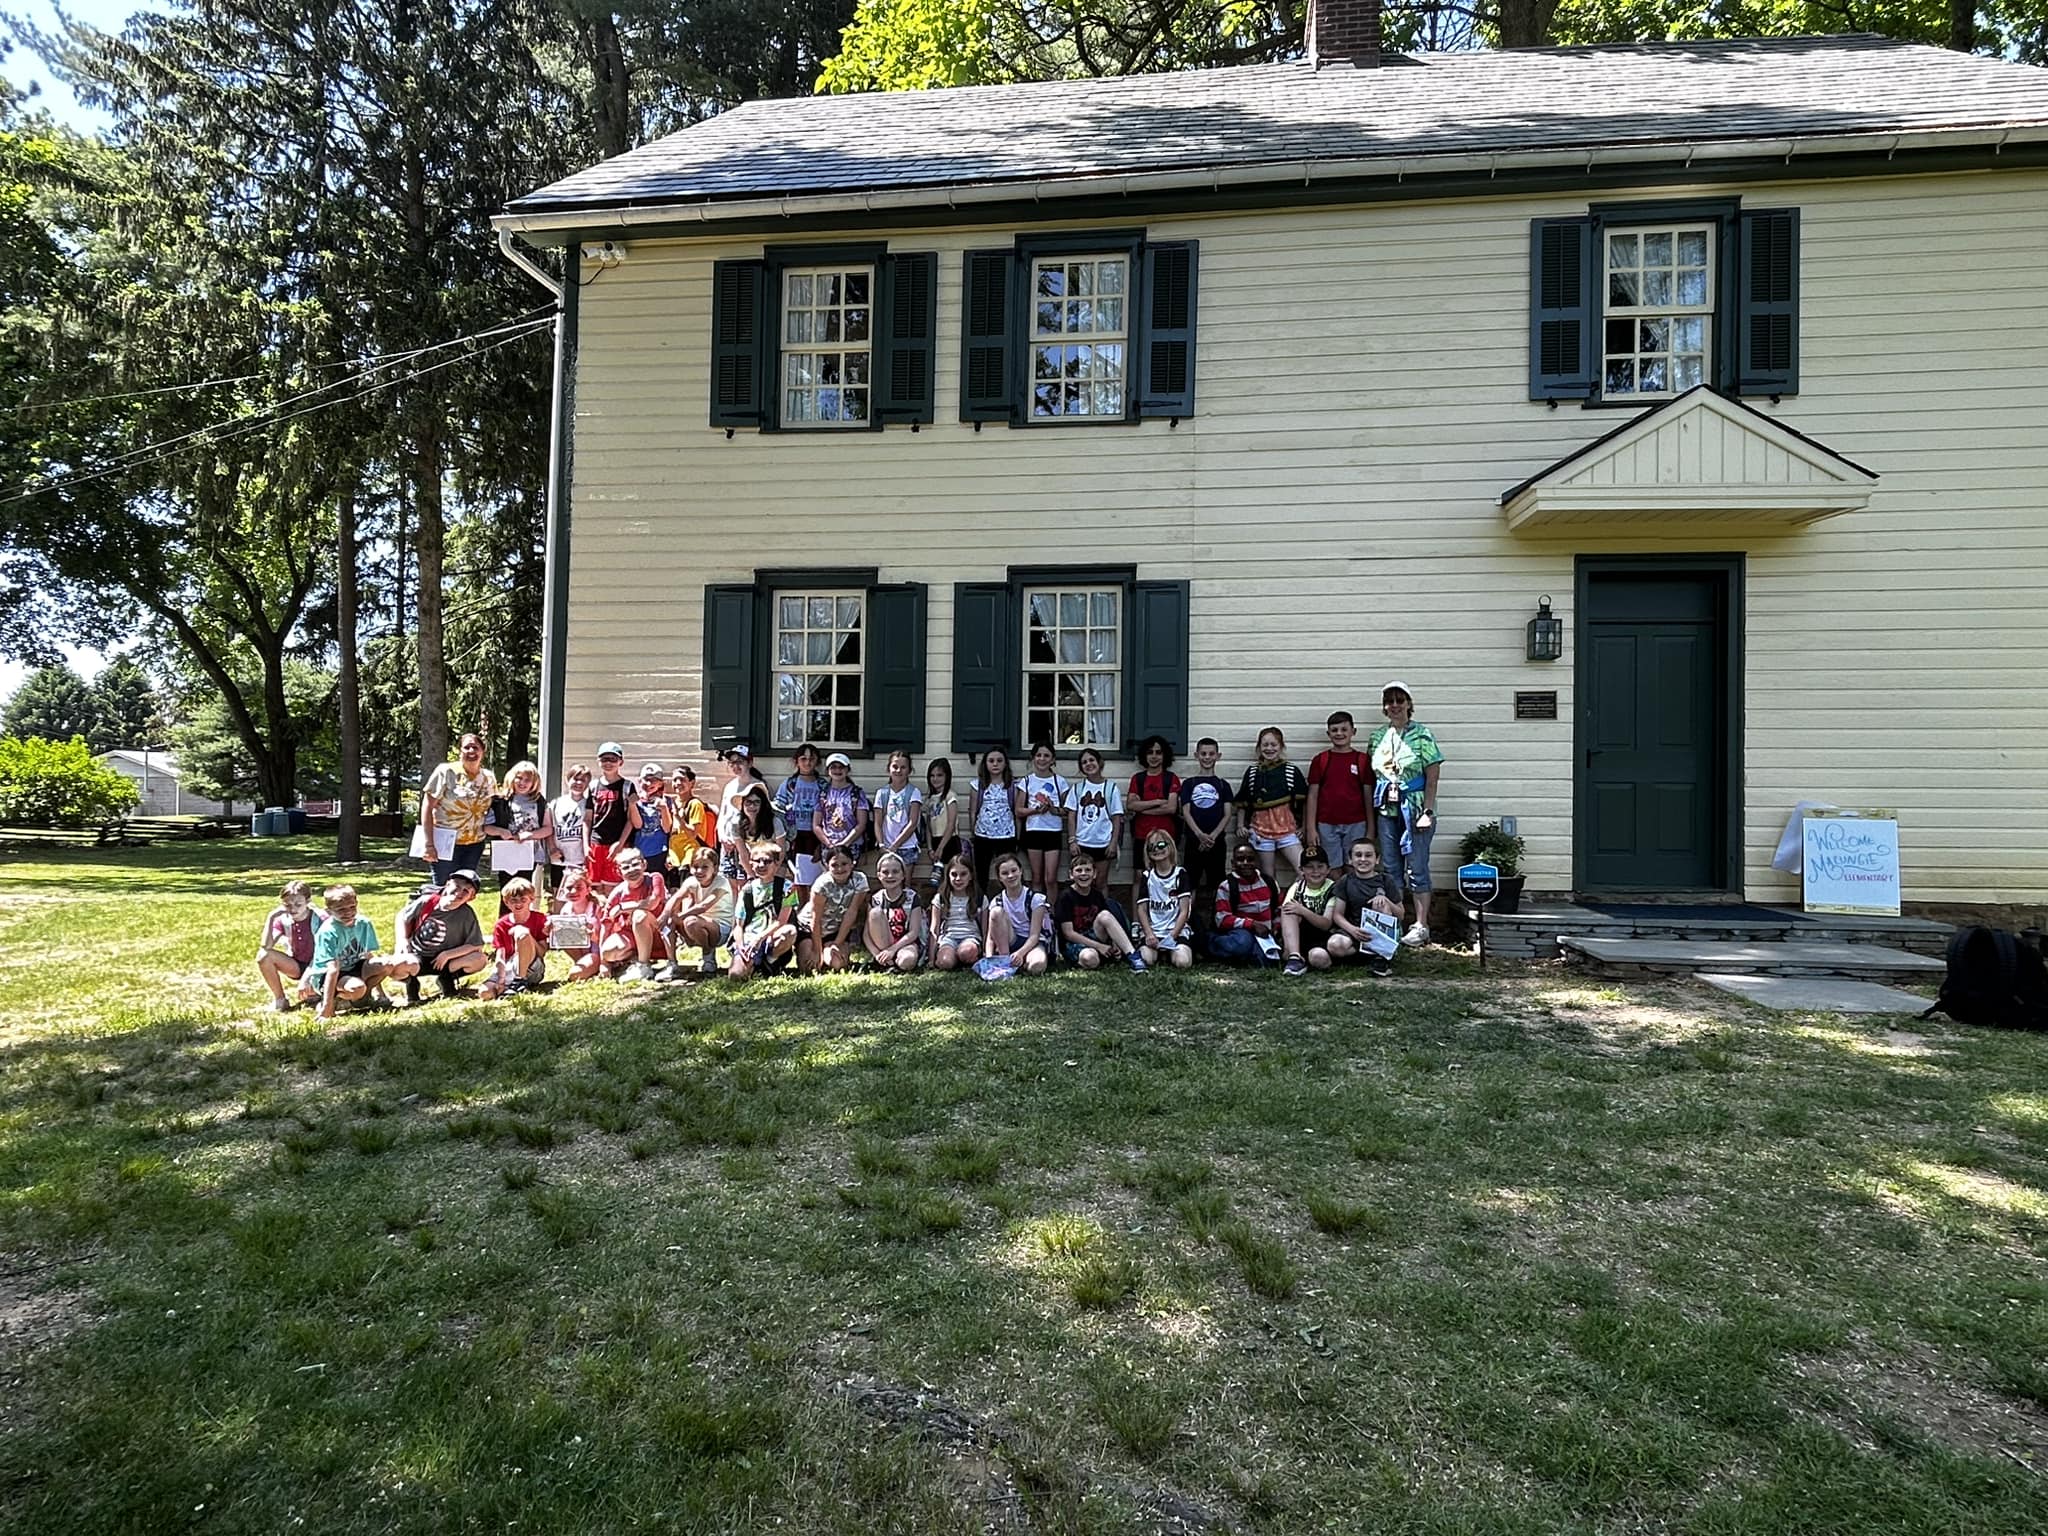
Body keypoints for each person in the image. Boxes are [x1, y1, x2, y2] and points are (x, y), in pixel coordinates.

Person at [1369, 681, 1446, 947]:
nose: (1394, 705)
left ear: (1409, 704)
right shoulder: (1378, 737)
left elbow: (1432, 777)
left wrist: (1427, 811)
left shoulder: (1423, 734)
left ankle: (1421, 925)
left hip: (1414, 809)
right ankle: (1393, 921)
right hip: (1386, 809)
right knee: (1390, 867)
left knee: (1416, 866)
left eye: (1399, 700)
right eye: (1389, 701)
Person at [307, 883, 412, 1019]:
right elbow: (333, 969)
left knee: (387, 964)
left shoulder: (363, 923)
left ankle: (363, 997)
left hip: (354, 966)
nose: (348, 912)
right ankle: (335, 1000)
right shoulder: (328, 932)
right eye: (341, 909)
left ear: (357, 904)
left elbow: (368, 956)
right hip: (328, 975)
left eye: (352, 907)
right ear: (329, 911)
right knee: (357, 988)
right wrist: (327, 1008)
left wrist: (381, 994)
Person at [1237, 726, 1309, 893]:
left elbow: (1304, 802)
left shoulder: (1290, 771)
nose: (1269, 748)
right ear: (1259, 747)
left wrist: (1304, 827)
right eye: (1265, 745)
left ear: (1281, 746)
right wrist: (1240, 825)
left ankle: (1294, 899)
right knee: (1268, 876)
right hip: (1261, 831)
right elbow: (1243, 801)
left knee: (1304, 870)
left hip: (1288, 830)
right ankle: (1273, 904)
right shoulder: (1253, 772)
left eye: (1273, 744)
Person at [420, 733, 496, 886]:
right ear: (460, 750)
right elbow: (427, 807)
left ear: (483, 751)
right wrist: (429, 844)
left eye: (475, 747)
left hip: (475, 844)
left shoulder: (488, 777)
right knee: (443, 888)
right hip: (445, 842)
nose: (471, 751)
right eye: (466, 747)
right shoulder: (446, 772)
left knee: (466, 888)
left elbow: (493, 807)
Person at [402, 868, 490, 997]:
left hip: (446, 961)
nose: (459, 892)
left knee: (480, 959)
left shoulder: (466, 914)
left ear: (471, 897)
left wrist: (447, 955)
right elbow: (404, 917)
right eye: (457, 886)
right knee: (396, 965)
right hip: (418, 955)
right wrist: (404, 940)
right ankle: (412, 984)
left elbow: (475, 944)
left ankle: (446, 979)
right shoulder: (427, 901)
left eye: (466, 891)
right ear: (447, 884)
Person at [1054, 849, 1143, 971]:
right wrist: (1099, 946)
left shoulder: (1097, 895)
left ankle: (1133, 955)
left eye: (1088, 870)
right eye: (1079, 870)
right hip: (1073, 943)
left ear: (1094, 874)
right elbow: (1068, 934)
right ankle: (1098, 955)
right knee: (1091, 959)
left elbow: (1109, 924)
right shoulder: (1065, 897)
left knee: (1105, 915)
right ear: (1071, 874)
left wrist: (1114, 943)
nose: (1083, 874)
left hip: (1095, 935)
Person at [1177, 737, 1234, 930]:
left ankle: (1218, 922)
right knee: (1191, 881)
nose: (1207, 757)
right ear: (1196, 755)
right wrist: (1200, 835)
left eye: (1211, 754)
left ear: (1218, 756)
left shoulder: (1223, 785)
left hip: (1217, 842)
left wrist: (1212, 836)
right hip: (1194, 841)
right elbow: (1186, 812)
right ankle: (1186, 923)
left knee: (1217, 883)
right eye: (1203, 754)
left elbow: (1227, 814)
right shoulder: (1189, 784)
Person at [1305, 712, 1371, 871]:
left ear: (1353, 731)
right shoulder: (1321, 760)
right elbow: (1312, 796)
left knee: (1354, 865)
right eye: (1334, 730)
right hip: (1326, 824)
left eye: (1344, 729)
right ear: (1328, 733)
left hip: (1356, 823)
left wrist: (1371, 829)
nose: (1339, 734)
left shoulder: (1362, 760)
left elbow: (1368, 797)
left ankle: (1352, 889)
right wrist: (1311, 829)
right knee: (1332, 866)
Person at [659, 845, 736, 979]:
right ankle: (672, 964)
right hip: (697, 924)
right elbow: (676, 898)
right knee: (669, 921)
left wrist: (681, 916)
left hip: (720, 929)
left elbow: (704, 906)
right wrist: (665, 915)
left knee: (690, 921)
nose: (699, 871)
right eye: (695, 867)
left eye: (705, 867)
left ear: (715, 868)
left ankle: (708, 957)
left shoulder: (722, 882)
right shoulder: (691, 881)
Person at [1330, 838, 1401, 977]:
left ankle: (1381, 956)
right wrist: (1353, 930)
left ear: (1377, 859)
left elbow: (1401, 914)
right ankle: (1367, 956)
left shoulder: (1386, 880)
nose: (1363, 859)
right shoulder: (1345, 880)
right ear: (1350, 860)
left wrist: (1386, 900)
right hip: (1355, 931)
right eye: (1358, 855)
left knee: (1380, 903)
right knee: (1334, 945)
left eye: (1368, 855)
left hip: (1379, 933)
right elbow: (1337, 915)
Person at [729, 842, 799, 980]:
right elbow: (738, 925)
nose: (762, 865)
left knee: (790, 931)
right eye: (757, 861)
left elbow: (781, 921)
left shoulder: (787, 888)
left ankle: (769, 962)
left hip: (771, 937)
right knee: (736, 975)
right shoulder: (747, 890)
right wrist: (741, 946)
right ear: (751, 863)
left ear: (776, 863)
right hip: (749, 938)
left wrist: (760, 938)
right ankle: (753, 965)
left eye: (767, 861)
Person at [798, 843, 870, 974]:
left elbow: (851, 912)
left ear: (852, 864)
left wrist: (836, 944)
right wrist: (817, 951)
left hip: (835, 930)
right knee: (810, 968)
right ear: (827, 866)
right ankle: (815, 950)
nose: (840, 869)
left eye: (844, 864)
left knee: (838, 965)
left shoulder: (860, 880)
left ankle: (830, 950)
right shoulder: (822, 884)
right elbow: (815, 919)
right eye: (834, 865)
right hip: (810, 929)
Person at [598, 849, 669, 981]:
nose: (632, 870)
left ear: (644, 864)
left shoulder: (654, 879)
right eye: (626, 867)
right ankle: (634, 959)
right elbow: (606, 925)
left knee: (639, 915)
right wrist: (604, 963)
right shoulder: (618, 892)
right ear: (619, 872)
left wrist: (623, 907)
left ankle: (643, 966)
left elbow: (652, 903)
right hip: (630, 936)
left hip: (657, 930)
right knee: (608, 952)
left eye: (635, 864)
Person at [255, 879, 323, 1012]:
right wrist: (271, 917)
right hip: (297, 964)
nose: (293, 909)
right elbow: (266, 946)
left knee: (312, 993)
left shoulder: (320, 918)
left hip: (320, 963)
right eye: (288, 905)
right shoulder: (284, 920)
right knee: (263, 956)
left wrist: (306, 977)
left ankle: (322, 993)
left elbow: (323, 952)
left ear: (308, 902)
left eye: (298, 904)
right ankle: (280, 999)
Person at [1207, 844, 1278, 967]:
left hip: (1264, 935)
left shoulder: (1269, 883)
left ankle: (1242, 957)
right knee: (1243, 943)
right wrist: (1252, 924)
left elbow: (1279, 910)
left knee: (1267, 961)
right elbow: (1222, 919)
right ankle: (1212, 943)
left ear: (1256, 862)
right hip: (1240, 932)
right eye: (1240, 859)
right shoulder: (1227, 886)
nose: (1245, 863)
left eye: (1250, 859)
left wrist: (1277, 927)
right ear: (1233, 863)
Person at [489, 760, 552, 896]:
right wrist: (501, 831)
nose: (522, 782)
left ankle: (523, 910)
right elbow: (486, 827)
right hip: (506, 851)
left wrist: (529, 835)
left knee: (524, 890)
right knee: (506, 890)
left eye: (527, 780)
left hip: (529, 852)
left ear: (534, 782)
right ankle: (505, 911)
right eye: (519, 778)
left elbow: (548, 828)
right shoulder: (500, 801)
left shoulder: (539, 801)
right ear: (512, 777)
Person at [1135, 831, 1196, 970]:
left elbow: (1184, 910)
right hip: (1154, 930)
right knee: (1146, 959)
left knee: (1183, 962)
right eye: (1151, 847)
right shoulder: (1147, 876)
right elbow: (1142, 909)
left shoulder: (1180, 874)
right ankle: (1159, 953)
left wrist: (1172, 936)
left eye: (1161, 844)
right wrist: (1149, 934)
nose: (1157, 849)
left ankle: (1169, 953)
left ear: (1170, 846)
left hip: (1175, 930)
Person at [481, 877, 550, 999]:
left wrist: (528, 937)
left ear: (531, 899)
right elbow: (500, 956)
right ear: (506, 902)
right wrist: (501, 979)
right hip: (507, 967)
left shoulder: (539, 919)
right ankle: (509, 986)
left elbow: (542, 952)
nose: (518, 904)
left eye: (523, 899)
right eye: (513, 900)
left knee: (522, 932)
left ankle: (519, 981)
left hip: (532, 967)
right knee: (485, 993)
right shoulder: (502, 924)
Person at [1063, 748, 1124, 884]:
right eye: (1084, 762)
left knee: (1101, 882)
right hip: (1081, 843)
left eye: (1092, 760)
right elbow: (1071, 816)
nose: (1088, 764)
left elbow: (1116, 818)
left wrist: (1113, 843)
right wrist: (1072, 841)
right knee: (1080, 881)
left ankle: (1101, 900)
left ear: (1100, 762)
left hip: (1103, 843)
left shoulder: (1111, 788)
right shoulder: (1077, 789)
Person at [983, 852, 1050, 975]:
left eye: (1014, 871)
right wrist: (988, 957)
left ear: (1021, 871)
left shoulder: (1035, 899)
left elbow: (1034, 936)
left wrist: (1020, 953)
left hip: (1031, 943)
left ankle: (1020, 962)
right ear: (999, 878)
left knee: (1037, 966)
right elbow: (990, 936)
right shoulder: (997, 901)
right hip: (1010, 940)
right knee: (996, 912)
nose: (1010, 876)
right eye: (1005, 873)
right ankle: (1005, 961)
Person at [1127, 736, 1181, 887]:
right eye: (1150, 752)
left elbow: (1171, 808)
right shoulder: (1138, 779)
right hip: (1141, 835)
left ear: (1165, 755)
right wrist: (1158, 802)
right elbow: (1131, 805)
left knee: (1167, 876)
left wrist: (1143, 808)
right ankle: (1139, 904)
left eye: (1158, 752)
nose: (1154, 756)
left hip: (1166, 835)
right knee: (1139, 877)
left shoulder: (1171, 778)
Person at [585, 741, 639, 891]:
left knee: (613, 888)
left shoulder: (627, 786)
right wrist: (586, 845)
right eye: (604, 759)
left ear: (621, 762)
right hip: (596, 843)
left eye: (613, 759)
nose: (608, 763)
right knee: (593, 887)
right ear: (598, 761)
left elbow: (631, 820)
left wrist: (620, 844)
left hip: (617, 843)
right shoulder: (593, 786)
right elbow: (588, 818)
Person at [1279, 845, 1340, 976]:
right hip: (1299, 936)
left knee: (1319, 958)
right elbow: (1286, 916)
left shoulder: (1333, 889)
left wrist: (1303, 910)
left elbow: (1326, 924)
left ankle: (1302, 959)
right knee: (1289, 909)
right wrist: (1287, 946)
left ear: (1328, 869)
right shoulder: (1297, 887)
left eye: (1320, 866)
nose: (1315, 871)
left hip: (1322, 937)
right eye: (1309, 867)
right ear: (1301, 870)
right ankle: (1294, 956)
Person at [772, 743, 826, 891]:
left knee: (816, 873)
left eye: (811, 759)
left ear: (817, 762)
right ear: (796, 761)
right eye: (803, 759)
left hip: (815, 835)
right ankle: (801, 903)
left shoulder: (822, 785)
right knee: (799, 875)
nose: (807, 763)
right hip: (794, 835)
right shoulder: (790, 784)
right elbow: (778, 808)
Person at [1018, 741, 1069, 896]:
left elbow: (1068, 810)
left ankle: (1052, 909)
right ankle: (1037, 907)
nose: (1042, 759)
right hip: (1033, 831)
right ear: (1033, 758)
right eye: (1038, 755)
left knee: (1051, 878)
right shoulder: (1026, 781)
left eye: (1046, 756)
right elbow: (1018, 810)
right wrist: (1035, 810)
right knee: (1036, 878)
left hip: (1053, 831)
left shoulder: (1060, 781)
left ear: (1053, 759)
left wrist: (1053, 809)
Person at [865, 852, 926, 973]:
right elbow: (866, 934)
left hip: (906, 943)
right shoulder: (876, 899)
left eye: (895, 872)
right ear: (879, 875)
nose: (890, 876)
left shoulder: (912, 897)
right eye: (885, 872)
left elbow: (913, 932)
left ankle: (891, 961)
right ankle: (887, 961)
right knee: (875, 913)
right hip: (884, 941)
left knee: (907, 960)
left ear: (903, 875)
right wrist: (876, 954)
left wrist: (892, 950)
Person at [969, 748, 1020, 892]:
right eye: (991, 761)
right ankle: (982, 901)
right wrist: (973, 832)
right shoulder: (977, 785)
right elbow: (973, 811)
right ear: (985, 764)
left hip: (1006, 835)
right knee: (981, 873)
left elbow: (1016, 813)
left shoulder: (1013, 786)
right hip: (982, 835)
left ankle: (1008, 899)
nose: (995, 764)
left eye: (999, 761)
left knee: (1007, 872)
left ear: (1005, 763)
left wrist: (1018, 836)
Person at [716, 745, 769, 878]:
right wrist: (722, 837)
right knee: (729, 882)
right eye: (732, 763)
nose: (735, 766)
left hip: (747, 845)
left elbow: (763, 816)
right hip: (728, 845)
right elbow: (723, 814)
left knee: (746, 881)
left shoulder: (757, 786)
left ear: (749, 763)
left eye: (739, 762)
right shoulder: (729, 786)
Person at [872, 751, 924, 881]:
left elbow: (913, 823)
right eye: (895, 767)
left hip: (907, 846)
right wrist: (881, 844)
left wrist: (895, 846)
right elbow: (877, 822)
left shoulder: (914, 792)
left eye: (903, 767)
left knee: (905, 884)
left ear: (909, 770)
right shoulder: (882, 793)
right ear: (888, 769)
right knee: (888, 881)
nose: (898, 770)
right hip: (886, 847)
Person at [548, 867, 603, 983]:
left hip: (598, 951)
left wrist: (592, 935)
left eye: (579, 888)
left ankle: (594, 966)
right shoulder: (566, 910)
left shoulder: (597, 908)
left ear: (588, 889)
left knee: (574, 975)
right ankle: (582, 963)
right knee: (560, 932)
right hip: (580, 951)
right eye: (569, 888)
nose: (573, 892)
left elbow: (605, 938)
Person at [928, 855, 983, 972]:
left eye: (963, 874)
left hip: (971, 938)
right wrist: (931, 959)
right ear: (948, 876)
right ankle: (953, 957)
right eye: (954, 874)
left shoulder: (979, 898)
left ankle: (964, 956)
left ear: (971, 876)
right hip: (949, 939)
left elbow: (986, 929)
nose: (958, 878)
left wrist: (987, 954)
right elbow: (934, 929)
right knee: (945, 962)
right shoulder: (941, 898)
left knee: (966, 952)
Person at [546, 763, 592, 895]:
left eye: (583, 780)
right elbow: (549, 829)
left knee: (579, 894)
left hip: (580, 859)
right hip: (560, 859)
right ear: (567, 779)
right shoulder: (556, 803)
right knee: (559, 895)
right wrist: (552, 848)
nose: (579, 783)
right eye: (575, 779)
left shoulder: (589, 804)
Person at [630, 763, 678, 888]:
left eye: (654, 780)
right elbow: (637, 825)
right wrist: (632, 805)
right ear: (639, 781)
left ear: (661, 783)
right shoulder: (636, 801)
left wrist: (664, 809)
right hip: (640, 852)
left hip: (659, 852)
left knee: (658, 886)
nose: (649, 783)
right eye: (646, 779)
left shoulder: (666, 801)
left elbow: (667, 829)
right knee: (641, 886)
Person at [816, 753, 871, 860]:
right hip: (828, 845)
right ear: (828, 770)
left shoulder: (856, 793)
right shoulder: (823, 793)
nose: (837, 770)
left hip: (851, 845)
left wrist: (844, 844)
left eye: (841, 767)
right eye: (833, 767)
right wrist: (829, 844)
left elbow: (861, 824)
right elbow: (816, 824)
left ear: (848, 770)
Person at [666, 766, 719, 872]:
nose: (678, 783)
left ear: (692, 783)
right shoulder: (673, 803)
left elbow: (693, 834)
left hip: (690, 857)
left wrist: (679, 818)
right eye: (675, 780)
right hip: (675, 858)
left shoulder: (695, 804)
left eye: (682, 780)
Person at [724, 784, 779, 883]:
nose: (752, 806)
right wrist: (752, 875)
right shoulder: (736, 824)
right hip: (753, 861)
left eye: (756, 802)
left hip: (775, 862)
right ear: (742, 804)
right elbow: (743, 853)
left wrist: (771, 874)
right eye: (748, 802)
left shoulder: (774, 822)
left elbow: (781, 850)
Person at [923, 756, 962, 888]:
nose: (935, 779)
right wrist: (930, 848)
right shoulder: (930, 799)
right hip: (935, 841)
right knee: (937, 878)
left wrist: (941, 848)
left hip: (949, 841)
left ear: (947, 776)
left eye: (939, 775)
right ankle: (940, 899)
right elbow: (928, 827)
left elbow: (951, 825)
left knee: (951, 876)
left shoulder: (950, 796)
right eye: (932, 775)